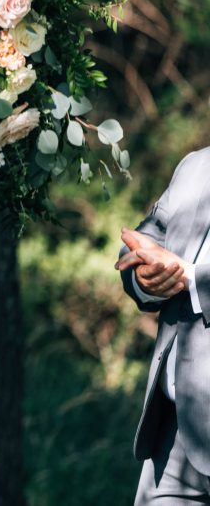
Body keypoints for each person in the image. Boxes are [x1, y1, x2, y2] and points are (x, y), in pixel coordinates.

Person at [116, 147, 210, 504]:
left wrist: (189, 278)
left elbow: (182, 270)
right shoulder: (195, 165)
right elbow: (143, 243)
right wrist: (145, 275)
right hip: (173, 436)